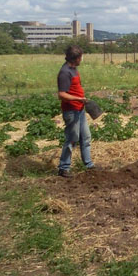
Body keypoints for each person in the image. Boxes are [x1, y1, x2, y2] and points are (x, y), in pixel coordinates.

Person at [57, 45, 97, 177]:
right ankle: (63, 168)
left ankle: (88, 164)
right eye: (81, 57)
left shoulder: (73, 69)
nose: (82, 59)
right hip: (71, 111)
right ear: (76, 58)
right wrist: (79, 99)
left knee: (85, 137)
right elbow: (61, 95)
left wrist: (81, 101)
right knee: (72, 139)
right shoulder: (64, 72)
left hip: (79, 109)